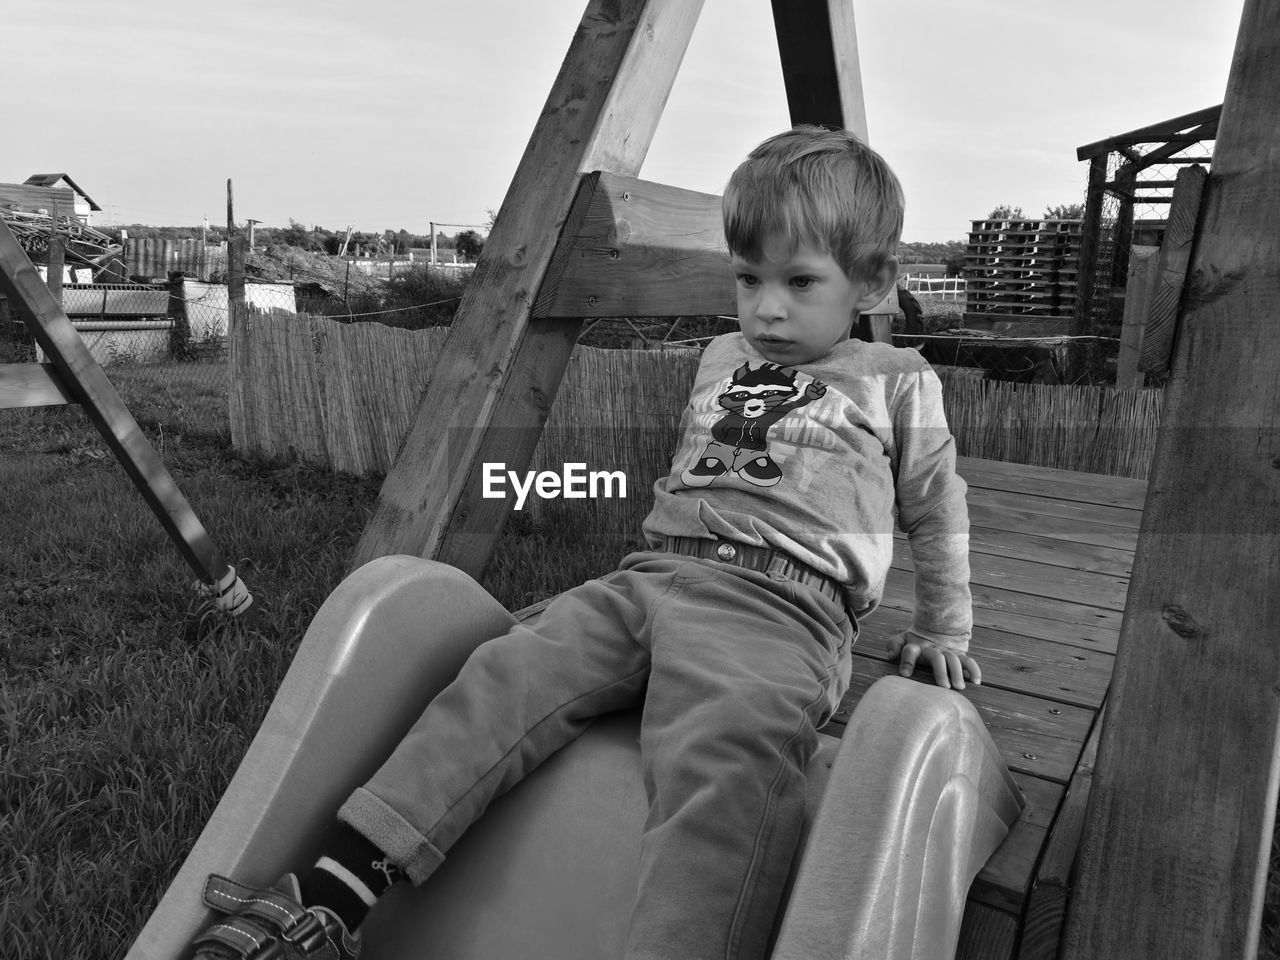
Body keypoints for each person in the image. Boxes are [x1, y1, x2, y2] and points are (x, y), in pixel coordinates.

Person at [190, 125, 978, 960]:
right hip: (647, 579)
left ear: (875, 280)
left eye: (800, 281)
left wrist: (946, 626)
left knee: (730, 761)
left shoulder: (898, 381)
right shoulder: (719, 356)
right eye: (749, 278)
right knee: (505, 670)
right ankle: (329, 896)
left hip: (781, 612)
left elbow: (936, 506)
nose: (767, 307)